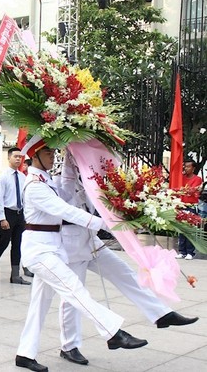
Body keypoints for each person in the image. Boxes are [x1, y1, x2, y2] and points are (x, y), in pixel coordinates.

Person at [15, 136, 148, 372]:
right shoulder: (35, 185)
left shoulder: (47, 181)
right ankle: (112, 331)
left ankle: (25, 354)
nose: (52, 156)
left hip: (52, 248)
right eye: (47, 153)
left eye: (54, 153)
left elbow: (67, 185)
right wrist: (110, 224)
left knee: (40, 305)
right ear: (34, 156)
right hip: (40, 251)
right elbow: (67, 211)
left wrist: (70, 153)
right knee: (75, 290)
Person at [55, 151, 199, 366]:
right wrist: (71, 158)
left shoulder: (91, 181)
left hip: (92, 241)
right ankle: (69, 346)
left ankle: (161, 314)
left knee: (125, 273)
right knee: (73, 298)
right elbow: (68, 202)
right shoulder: (62, 181)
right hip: (72, 244)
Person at [0, 147, 31, 285]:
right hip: (8, 213)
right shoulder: (4, 176)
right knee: (3, 244)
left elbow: (25, 198)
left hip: (20, 214)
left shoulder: (23, 177)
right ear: (9, 158)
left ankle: (15, 275)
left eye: (20, 157)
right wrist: (3, 218)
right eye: (15, 156)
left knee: (17, 245)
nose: (18, 159)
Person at [176, 159, 203, 260]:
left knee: (190, 230)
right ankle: (182, 251)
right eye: (185, 166)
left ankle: (190, 252)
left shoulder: (197, 179)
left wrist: (183, 190)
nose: (186, 168)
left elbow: (192, 191)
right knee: (181, 229)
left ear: (193, 168)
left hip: (191, 206)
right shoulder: (181, 178)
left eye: (188, 166)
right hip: (181, 205)